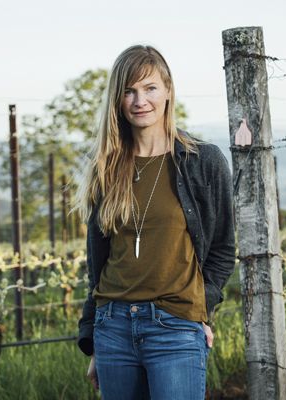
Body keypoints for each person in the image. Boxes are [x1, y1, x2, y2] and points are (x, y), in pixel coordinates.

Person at [74, 44, 236, 400]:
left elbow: (223, 250)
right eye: (129, 91)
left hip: (174, 327)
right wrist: (95, 341)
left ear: (167, 91)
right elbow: (97, 264)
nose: (139, 100)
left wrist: (200, 311)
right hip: (112, 327)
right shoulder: (106, 166)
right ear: (117, 99)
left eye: (149, 88)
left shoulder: (202, 161)